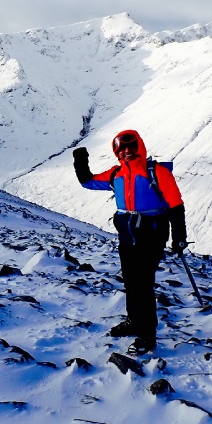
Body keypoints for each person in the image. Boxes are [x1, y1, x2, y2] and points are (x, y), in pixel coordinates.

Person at [73, 130, 187, 354]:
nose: (126, 152)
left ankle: (147, 335)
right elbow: (88, 182)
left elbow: (175, 205)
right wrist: (80, 160)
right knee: (130, 282)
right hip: (127, 236)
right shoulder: (116, 174)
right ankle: (134, 322)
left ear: (139, 146)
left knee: (142, 285)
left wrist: (179, 237)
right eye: (121, 148)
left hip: (151, 235)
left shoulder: (157, 173)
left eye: (130, 147)